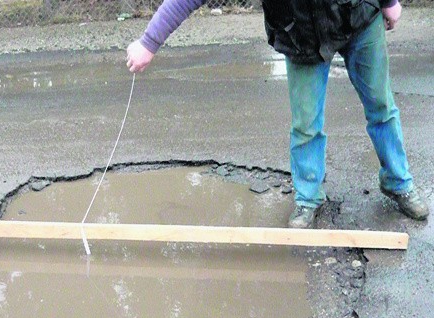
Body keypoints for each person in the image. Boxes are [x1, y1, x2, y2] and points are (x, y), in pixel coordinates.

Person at [126, 0, 429, 228]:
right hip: (302, 35)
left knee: (381, 108)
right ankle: (308, 198)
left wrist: (388, 3)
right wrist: (149, 42)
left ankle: (398, 182)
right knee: (306, 123)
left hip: (359, 18)